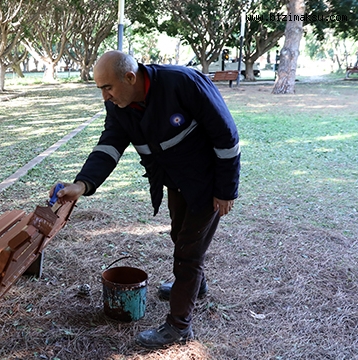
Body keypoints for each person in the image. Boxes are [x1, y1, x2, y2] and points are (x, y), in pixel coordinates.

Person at [52, 51, 240, 348]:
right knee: (179, 235)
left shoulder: (183, 83)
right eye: (100, 89)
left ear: (130, 77)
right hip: (174, 181)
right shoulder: (120, 105)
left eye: (108, 87)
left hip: (207, 182)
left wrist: (226, 190)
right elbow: (110, 145)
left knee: (188, 254)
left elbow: (226, 136)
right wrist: (82, 184)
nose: (105, 97)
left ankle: (179, 327)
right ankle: (195, 286)